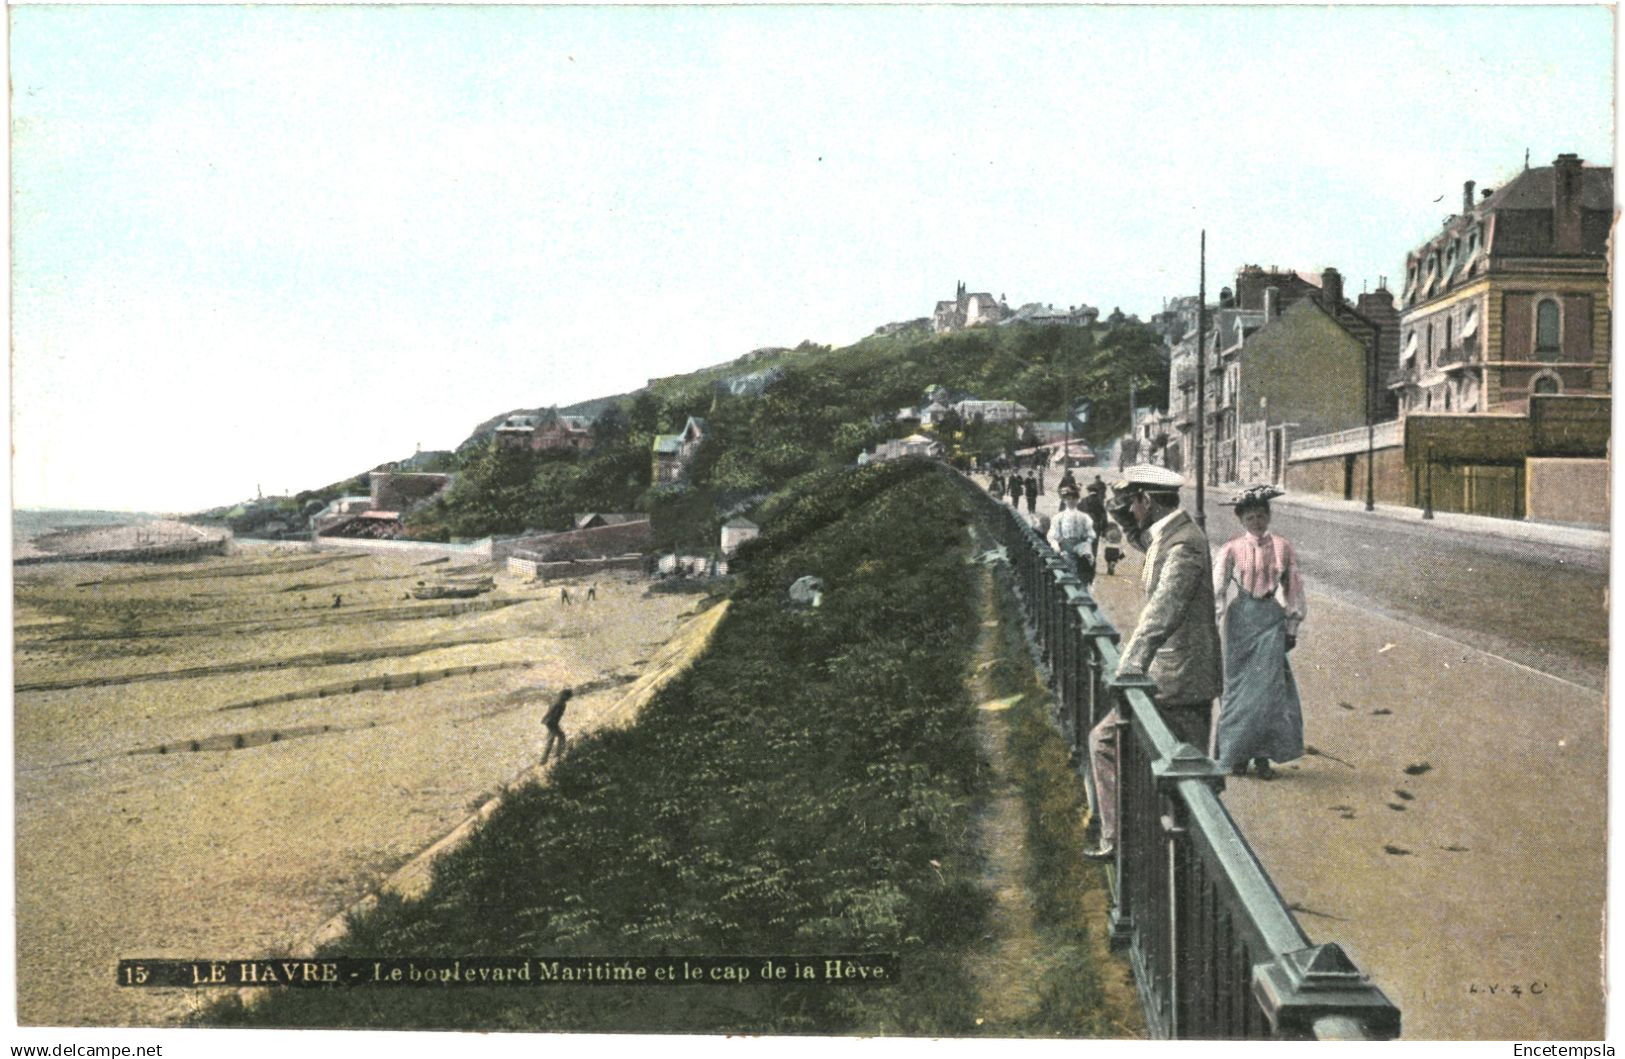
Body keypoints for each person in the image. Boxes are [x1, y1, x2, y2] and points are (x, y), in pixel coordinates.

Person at [1084, 465, 1223, 861]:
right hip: (1179, 675)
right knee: (1187, 779)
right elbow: (1138, 535)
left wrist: (1127, 667)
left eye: (1134, 502)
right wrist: (1121, 505)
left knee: (1188, 781)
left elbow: (1162, 612)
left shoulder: (1184, 546)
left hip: (1179, 679)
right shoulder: (1170, 535)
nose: (1130, 509)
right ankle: (1171, 852)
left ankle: (1123, 842)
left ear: (1146, 500)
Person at [1212, 486, 1306, 779]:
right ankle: (1236, 755)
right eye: (1251, 517)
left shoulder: (1282, 547)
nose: (1257, 521)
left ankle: (1263, 757)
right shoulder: (1231, 549)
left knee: (1268, 692)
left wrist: (1291, 626)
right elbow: (1217, 589)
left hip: (1270, 619)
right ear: (1241, 520)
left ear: (1269, 515)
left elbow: (1294, 588)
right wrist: (1213, 622)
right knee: (1238, 690)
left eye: (1262, 515)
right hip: (1241, 620)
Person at [1047, 487, 1097, 585]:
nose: (1071, 501)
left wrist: (1086, 547)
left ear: (1078, 500)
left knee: (1084, 570)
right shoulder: (1059, 517)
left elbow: (1090, 535)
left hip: (1081, 548)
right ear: (1064, 500)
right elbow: (1052, 535)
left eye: (1074, 499)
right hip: (1064, 547)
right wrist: (1056, 545)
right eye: (1068, 499)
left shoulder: (1084, 517)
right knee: (1067, 568)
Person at [541, 687, 574, 763]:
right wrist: (554, 724)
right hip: (552, 722)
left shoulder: (557, 701)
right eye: (569, 697)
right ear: (565, 696)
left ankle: (548, 757)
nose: (569, 699)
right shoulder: (560, 703)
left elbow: (551, 713)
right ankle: (556, 755)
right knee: (558, 737)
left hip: (550, 722)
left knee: (553, 738)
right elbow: (554, 714)